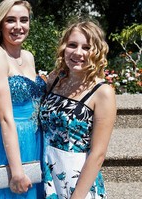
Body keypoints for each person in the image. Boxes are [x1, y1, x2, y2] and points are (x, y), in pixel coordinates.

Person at [39, 20, 116, 198]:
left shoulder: (102, 92)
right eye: (72, 45)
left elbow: (98, 153)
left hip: (77, 181)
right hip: (47, 174)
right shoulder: (56, 79)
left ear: (96, 52)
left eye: (86, 47)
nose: (78, 52)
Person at [0, 0, 46, 198]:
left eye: (24, 20)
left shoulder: (27, 56)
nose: (18, 26)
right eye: (11, 20)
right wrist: (16, 170)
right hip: (9, 142)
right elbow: (4, 117)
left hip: (35, 139)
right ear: (0, 24)